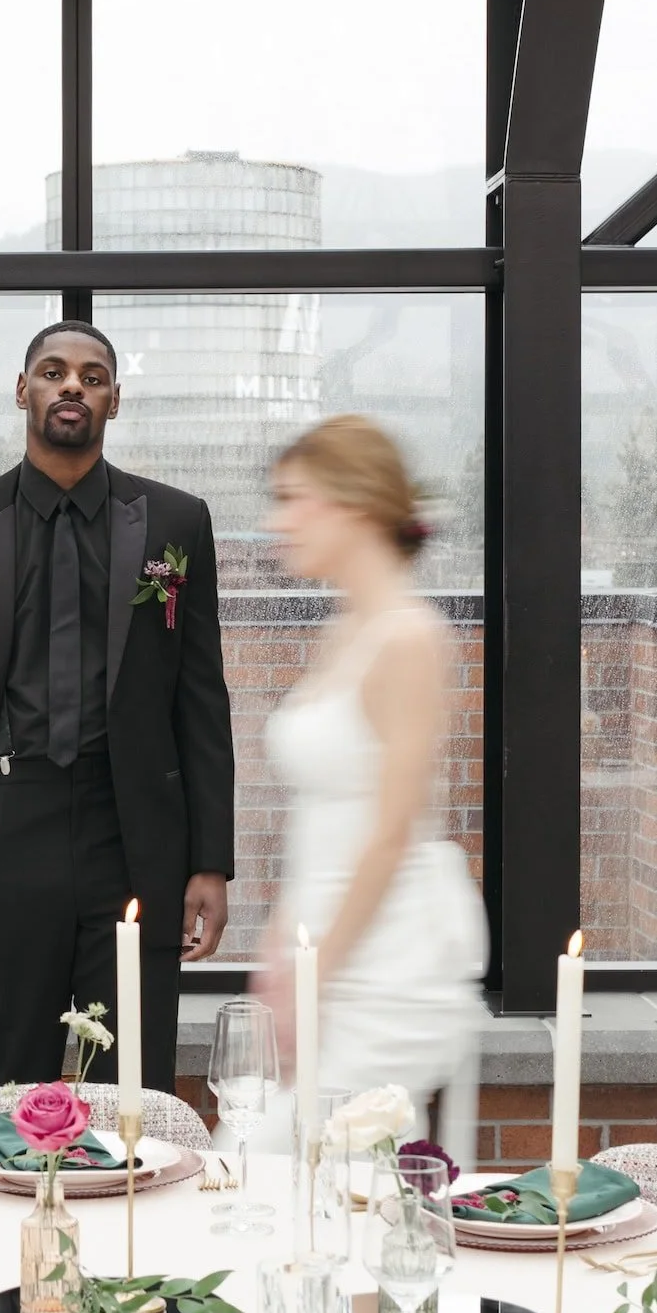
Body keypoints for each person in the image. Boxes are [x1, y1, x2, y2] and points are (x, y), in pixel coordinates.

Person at [0, 321, 236, 1091]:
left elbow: (200, 697)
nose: (72, 386)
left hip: (136, 835)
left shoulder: (177, 523)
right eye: (52, 372)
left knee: (132, 1089)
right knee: (11, 1085)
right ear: (23, 391)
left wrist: (210, 861)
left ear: (115, 400)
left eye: (92, 376)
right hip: (5, 822)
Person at [250, 415, 487, 1167]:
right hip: (323, 941)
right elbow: (320, 814)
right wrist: (282, 946)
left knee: (312, 1175)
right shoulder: (345, 628)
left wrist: (315, 974)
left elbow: (390, 833)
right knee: (278, 1169)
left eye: (292, 498)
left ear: (351, 504)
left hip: (387, 960)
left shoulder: (410, 638)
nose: (274, 521)